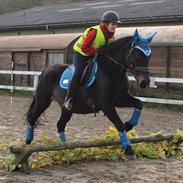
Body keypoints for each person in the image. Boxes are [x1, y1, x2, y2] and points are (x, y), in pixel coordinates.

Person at [63, 10, 121, 110]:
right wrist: (97, 52)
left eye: (116, 24)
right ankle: (68, 98)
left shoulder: (111, 35)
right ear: (105, 23)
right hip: (81, 53)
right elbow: (84, 48)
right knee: (79, 71)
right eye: (113, 24)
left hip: (93, 53)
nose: (115, 26)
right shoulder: (94, 32)